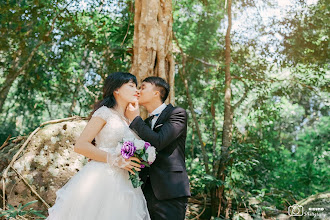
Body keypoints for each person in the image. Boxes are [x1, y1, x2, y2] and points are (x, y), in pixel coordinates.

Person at [47, 72, 150, 220]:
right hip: (102, 178)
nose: (137, 90)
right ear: (117, 90)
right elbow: (81, 145)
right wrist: (115, 159)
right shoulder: (104, 113)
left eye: (137, 87)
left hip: (126, 182)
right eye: (132, 86)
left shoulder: (131, 119)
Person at [125, 77, 191, 220]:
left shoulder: (177, 113)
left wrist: (135, 119)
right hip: (144, 191)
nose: (137, 91)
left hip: (170, 191)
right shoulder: (145, 123)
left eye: (142, 87)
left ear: (156, 93)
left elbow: (159, 141)